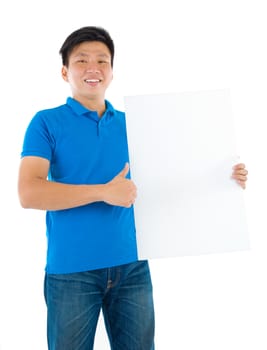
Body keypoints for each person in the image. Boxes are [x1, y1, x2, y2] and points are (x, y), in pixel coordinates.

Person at [17, 26, 248, 350]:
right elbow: (29, 192)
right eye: (81, 60)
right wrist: (102, 191)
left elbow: (168, 177)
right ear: (65, 71)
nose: (93, 67)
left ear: (112, 72)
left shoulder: (134, 123)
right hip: (71, 272)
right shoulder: (46, 122)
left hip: (132, 267)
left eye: (102, 60)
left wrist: (222, 177)